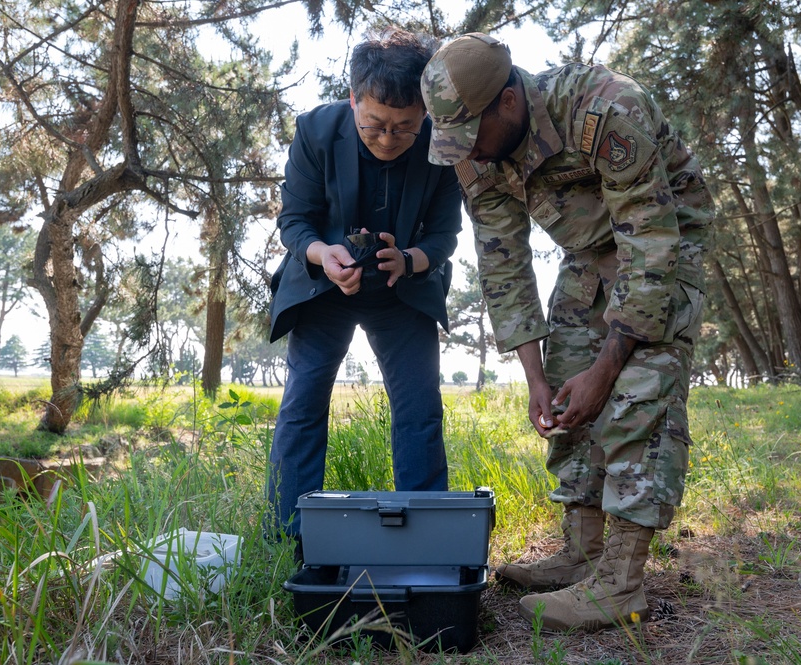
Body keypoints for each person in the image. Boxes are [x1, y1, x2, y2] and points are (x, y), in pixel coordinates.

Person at [421, 33, 714, 630]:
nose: (464, 153)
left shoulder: (607, 110)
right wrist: (534, 375)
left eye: (470, 134)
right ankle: (581, 554)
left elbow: (651, 246)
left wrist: (607, 371)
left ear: (508, 102)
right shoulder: (473, 149)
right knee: (563, 385)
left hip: (663, 241)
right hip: (588, 252)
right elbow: (503, 261)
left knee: (637, 392)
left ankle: (620, 584)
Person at [267, 28, 462, 559]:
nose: (387, 138)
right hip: (322, 289)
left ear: (425, 112)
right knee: (303, 404)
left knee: (420, 409)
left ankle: (427, 541)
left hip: (405, 292)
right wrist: (322, 255)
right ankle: (288, 540)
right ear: (352, 98)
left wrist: (410, 260)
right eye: (374, 124)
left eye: (404, 128)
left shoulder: (442, 143)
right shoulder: (314, 130)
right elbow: (294, 220)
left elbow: (445, 235)